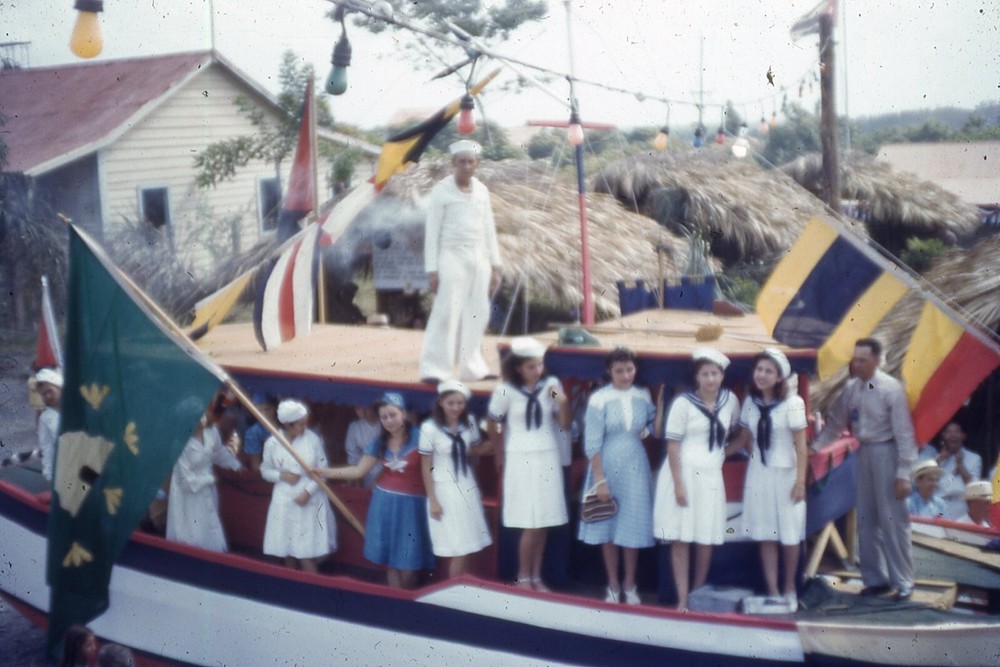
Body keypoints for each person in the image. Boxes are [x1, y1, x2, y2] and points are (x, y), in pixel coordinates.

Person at [814, 338, 918, 601]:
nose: (857, 364)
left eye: (863, 360)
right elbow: (835, 423)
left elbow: (905, 433)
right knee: (866, 520)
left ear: (876, 360)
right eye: (855, 359)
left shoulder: (891, 389)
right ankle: (875, 579)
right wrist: (814, 447)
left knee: (893, 520)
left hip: (888, 451)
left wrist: (904, 473)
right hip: (864, 452)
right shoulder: (852, 388)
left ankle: (903, 580)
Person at [653, 348, 744, 611]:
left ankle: (697, 595)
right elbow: (672, 445)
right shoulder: (683, 403)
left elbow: (741, 434)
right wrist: (679, 485)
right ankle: (681, 599)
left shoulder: (731, 401)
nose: (711, 379)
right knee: (680, 538)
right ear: (697, 376)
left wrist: (721, 455)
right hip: (681, 476)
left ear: (722, 375)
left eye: (715, 373)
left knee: (705, 538)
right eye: (705, 374)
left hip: (710, 478)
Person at [318, 392, 434, 589]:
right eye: (384, 417)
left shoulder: (420, 437)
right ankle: (396, 602)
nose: (388, 421)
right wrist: (321, 471)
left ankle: (404, 599)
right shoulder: (378, 441)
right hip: (384, 504)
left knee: (410, 565)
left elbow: (430, 472)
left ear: (403, 414)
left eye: (392, 415)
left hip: (412, 508)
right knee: (391, 560)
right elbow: (358, 471)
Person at [487, 336, 570, 592]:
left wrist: (563, 402)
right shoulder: (505, 391)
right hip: (520, 457)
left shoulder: (551, 385)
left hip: (546, 455)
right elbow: (492, 421)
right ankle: (523, 576)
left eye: (540, 365)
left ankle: (536, 575)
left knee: (544, 518)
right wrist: (498, 450)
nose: (538, 371)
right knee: (528, 521)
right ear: (518, 368)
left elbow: (564, 421)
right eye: (532, 366)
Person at [418, 139, 502, 384]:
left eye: (471, 162)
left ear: (477, 164)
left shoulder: (482, 190)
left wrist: (496, 265)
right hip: (451, 254)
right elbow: (432, 231)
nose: (466, 166)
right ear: (453, 163)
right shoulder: (441, 191)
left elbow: (489, 229)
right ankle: (435, 369)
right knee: (446, 310)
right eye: (462, 161)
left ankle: (472, 368)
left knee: (479, 311)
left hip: (479, 256)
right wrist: (432, 269)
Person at [578, 348, 656, 605]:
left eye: (630, 369)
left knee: (631, 525)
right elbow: (592, 442)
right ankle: (612, 584)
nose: (625, 375)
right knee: (608, 524)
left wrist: (664, 396)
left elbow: (653, 428)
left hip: (635, 464)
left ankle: (630, 585)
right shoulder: (599, 398)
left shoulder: (643, 395)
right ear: (609, 371)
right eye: (619, 370)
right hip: (607, 465)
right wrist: (600, 480)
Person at [734, 349, 808, 609]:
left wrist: (801, 481)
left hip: (786, 473)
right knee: (767, 533)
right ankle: (773, 591)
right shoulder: (750, 402)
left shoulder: (793, 403)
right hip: (760, 473)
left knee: (789, 534)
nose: (762, 375)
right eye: (759, 370)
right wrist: (718, 455)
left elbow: (801, 446)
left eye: (768, 371)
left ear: (779, 377)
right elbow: (744, 438)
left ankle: (789, 589)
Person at [420, 381, 493, 578]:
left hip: (466, 485)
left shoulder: (468, 421)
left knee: (468, 542)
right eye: (451, 403)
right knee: (457, 546)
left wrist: (497, 437)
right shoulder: (429, 427)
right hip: (444, 490)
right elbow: (426, 467)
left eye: (460, 403)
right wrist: (433, 500)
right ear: (441, 402)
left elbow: (475, 449)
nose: (456, 408)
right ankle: (455, 587)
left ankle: (463, 585)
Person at [260, 399, 336, 573]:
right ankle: (292, 583)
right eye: (300, 424)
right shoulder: (273, 442)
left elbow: (323, 470)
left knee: (305, 552)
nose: (304, 427)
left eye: (305, 423)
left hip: (308, 500)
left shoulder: (313, 440)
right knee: (287, 548)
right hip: (283, 499)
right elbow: (265, 470)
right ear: (287, 424)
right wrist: (281, 475)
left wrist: (308, 492)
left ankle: (315, 590)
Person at [166, 406, 243, 551]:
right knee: (192, 529)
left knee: (210, 523)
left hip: (207, 488)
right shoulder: (179, 444)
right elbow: (185, 481)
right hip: (188, 492)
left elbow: (218, 453)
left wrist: (236, 466)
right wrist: (210, 479)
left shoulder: (211, 432)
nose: (200, 422)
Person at [918, 421, 982, 520]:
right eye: (949, 432)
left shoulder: (974, 458)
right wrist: (939, 460)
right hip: (937, 505)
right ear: (943, 436)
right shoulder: (935, 457)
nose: (953, 435)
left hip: (960, 506)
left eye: (956, 431)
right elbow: (921, 482)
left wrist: (961, 466)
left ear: (963, 436)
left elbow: (975, 488)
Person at [35, 367, 63, 482]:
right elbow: (46, 446)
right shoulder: (45, 418)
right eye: (43, 394)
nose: (47, 397)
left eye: (50, 391)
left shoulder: (76, 409)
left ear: (59, 387)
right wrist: (48, 473)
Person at [344, 403, 381, 488]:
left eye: (366, 407)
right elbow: (353, 456)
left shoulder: (385, 424)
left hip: (386, 473)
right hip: (364, 472)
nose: (363, 412)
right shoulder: (354, 427)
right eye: (358, 408)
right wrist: (353, 480)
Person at [242, 394, 277, 474]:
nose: (264, 414)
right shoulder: (253, 432)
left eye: (267, 409)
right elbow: (256, 465)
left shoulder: (287, 426)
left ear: (275, 408)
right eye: (260, 411)